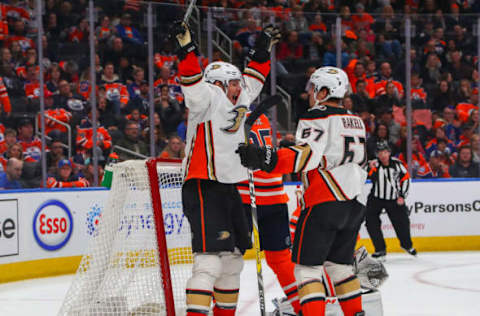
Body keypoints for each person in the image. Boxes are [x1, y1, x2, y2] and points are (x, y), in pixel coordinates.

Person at [238, 66, 368, 316]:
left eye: (313, 88)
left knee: (307, 270)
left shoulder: (316, 115)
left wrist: (267, 157)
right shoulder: (356, 120)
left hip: (324, 200)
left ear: (324, 91)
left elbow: (306, 156)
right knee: (339, 267)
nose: (309, 93)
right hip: (354, 203)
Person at [172, 21, 279, 316]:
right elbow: (192, 84)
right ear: (218, 84)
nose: (238, 87)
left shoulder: (239, 95)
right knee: (209, 262)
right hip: (203, 184)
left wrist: (262, 49)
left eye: (237, 82)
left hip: (230, 187)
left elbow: (254, 78)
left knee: (232, 261)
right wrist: (187, 50)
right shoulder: (206, 98)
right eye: (232, 82)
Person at [236, 114, 300, 314]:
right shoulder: (262, 116)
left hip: (246, 195)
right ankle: (303, 307)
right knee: (280, 259)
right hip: (274, 195)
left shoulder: (229, 113)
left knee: (228, 257)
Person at [365, 141, 416, 260]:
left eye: (385, 152)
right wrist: (369, 168)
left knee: (402, 223)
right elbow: (366, 175)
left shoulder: (397, 165)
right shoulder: (374, 164)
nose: (383, 155)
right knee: (371, 222)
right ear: (377, 154)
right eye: (380, 153)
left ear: (389, 152)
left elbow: (406, 179)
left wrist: (402, 196)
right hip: (376, 198)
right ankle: (380, 249)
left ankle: (407, 245)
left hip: (394, 199)